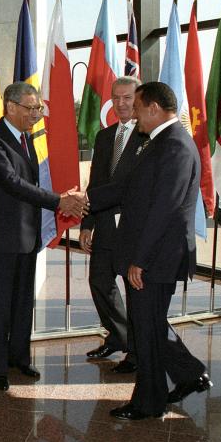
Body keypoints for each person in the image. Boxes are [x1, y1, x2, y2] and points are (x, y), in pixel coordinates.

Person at [87, 81, 210, 421]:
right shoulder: (159, 143)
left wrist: (139, 260)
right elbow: (129, 188)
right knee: (150, 327)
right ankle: (180, 379)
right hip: (154, 254)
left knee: (148, 328)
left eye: (137, 107)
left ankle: (148, 402)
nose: (133, 114)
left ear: (154, 108)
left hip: (157, 257)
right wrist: (86, 200)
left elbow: (164, 209)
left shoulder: (174, 146)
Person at [0, 82, 87, 391]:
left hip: (27, 235)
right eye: (31, 108)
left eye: (38, 108)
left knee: (23, 301)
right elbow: (12, 183)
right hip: (2, 239)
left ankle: (19, 358)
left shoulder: (28, 139)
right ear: (10, 107)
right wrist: (58, 201)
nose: (36, 114)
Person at [79, 77, 145, 374]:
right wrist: (86, 223)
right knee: (99, 282)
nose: (121, 103)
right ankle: (120, 336)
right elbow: (96, 184)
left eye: (127, 98)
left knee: (134, 291)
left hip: (134, 227)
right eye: (116, 98)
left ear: (139, 99)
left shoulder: (149, 136)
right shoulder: (104, 137)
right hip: (105, 224)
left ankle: (136, 350)